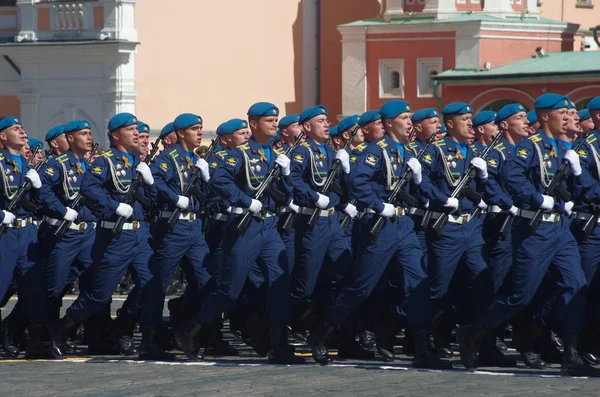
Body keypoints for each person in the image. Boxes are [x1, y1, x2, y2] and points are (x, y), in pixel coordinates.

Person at [469, 93, 597, 377]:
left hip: (561, 229)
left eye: (569, 112)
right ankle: (477, 332)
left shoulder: (566, 147)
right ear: (544, 117)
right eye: (562, 113)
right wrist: (537, 198)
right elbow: (512, 175)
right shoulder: (531, 146)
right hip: (535, 229)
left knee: (576, 285)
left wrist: (577, 177)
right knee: (520, 295)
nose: (568, 117)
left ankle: (571, 354)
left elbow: (580, 188)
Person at [174, 102, 302, 364]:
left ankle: (278, 346)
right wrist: (245, 201)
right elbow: (220, 181)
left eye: (276, 119)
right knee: (230, 290)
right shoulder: (238, 154)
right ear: (253, 124)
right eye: (269, 120)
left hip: (270, 227)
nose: (275, 124)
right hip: (245, 227)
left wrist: (287, 173)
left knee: (280, 285)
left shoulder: (276, 156)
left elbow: (287, 194)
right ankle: (190, 329)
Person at [57, 113, 160, 358]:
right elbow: (88, 188)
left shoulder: (139, 163)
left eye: (137, 129)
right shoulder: (106, 161)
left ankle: (149, 343)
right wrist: (114, 206)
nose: (137, 133)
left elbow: (154, 200)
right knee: (100, 294)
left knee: (153, 287)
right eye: (130, 129)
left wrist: (151, 180)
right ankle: (62, 329)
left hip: (141, 235)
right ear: (116, 136)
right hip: (117, 237)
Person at [144, 113, 212, 360]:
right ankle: (148, 342)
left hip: (194, 229)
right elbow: (154, 181)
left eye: (200, 128)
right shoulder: (168, 158)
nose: (199, 133)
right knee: (158, 285)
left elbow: (206, 196)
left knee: (207, 282)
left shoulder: (196, 160)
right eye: (194, 129)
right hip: (173, 229)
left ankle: (186, 327)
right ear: (182, 133)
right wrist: (175, 198)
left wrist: (205, 178)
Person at [288, 106, 354, 339]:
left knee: (345, 272)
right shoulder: (302, 152)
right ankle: (290, 323)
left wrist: (346, 169)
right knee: (307, 283)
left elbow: (340, 188)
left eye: (327, 120)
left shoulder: (329, 152)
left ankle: (326, 326)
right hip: (312, 222)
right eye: (320, 121)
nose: (327, 124)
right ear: (307, 127)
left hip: (333, 222)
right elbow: (293, 179)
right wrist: (314, 196)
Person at [39, 120, 97, 359]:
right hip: (63, 234)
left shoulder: (91, 165)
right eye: (83, 134)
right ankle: (47, 337)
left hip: (88, 234)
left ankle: (67, 327)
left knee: (94, 283)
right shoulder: (57, 164)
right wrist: (61, 210)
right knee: (55, 287)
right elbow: (42, 191)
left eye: (90, 133)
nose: (89, 138)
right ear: (70, 139)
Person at [0, 116, 51, 358]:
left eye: (22, 127)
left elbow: (40, 204)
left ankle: (35, 342)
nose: (22, 132)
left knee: (35, 290)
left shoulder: (28, 166)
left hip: (28, 234)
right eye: (15, 128)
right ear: (2, 136)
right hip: (6, 234)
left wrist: (39, 187)